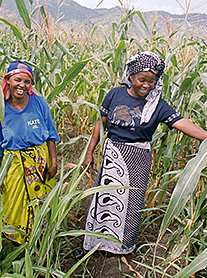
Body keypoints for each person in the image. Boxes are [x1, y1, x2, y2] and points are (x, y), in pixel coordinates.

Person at [82, 51, 207, 256]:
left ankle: (120, 248)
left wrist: (205, 136)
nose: (146, 85)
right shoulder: (115, 94)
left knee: (131, 203)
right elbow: (100, 124)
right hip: (112, 156)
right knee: (104, 198)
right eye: (142, 80)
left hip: (138, 158)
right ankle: (96, 243)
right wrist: (89, 153)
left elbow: (181, 123)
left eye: (152, 81)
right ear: (131, 77)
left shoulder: (157, 104)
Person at [0, 60, 60, 244]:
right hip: (13, 166)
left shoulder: (38, 103)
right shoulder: (0, 109)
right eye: (18, 80)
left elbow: (51, 134)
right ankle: (18, 245)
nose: (22, 85)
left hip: (39, 163)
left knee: (42, 204)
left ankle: (41, 244)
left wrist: (54, 161)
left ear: (31, 85)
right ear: (9, 81)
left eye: (27, 82)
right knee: (14, 205)